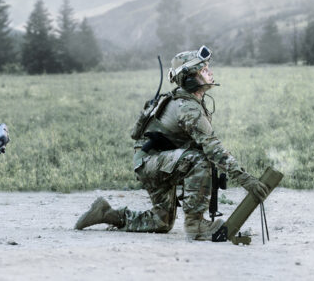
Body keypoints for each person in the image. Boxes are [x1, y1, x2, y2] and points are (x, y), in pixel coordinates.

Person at [75, 45, 269, 240]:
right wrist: (246, 180)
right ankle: (196, 224)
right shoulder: (187, 107)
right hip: (153, 162)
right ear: (190, 78)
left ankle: (106, 214)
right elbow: (213, 148)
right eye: (203, 70)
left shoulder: (186, 101)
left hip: (153, 161)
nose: (210, 73)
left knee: (161, 222)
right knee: (200, 159)